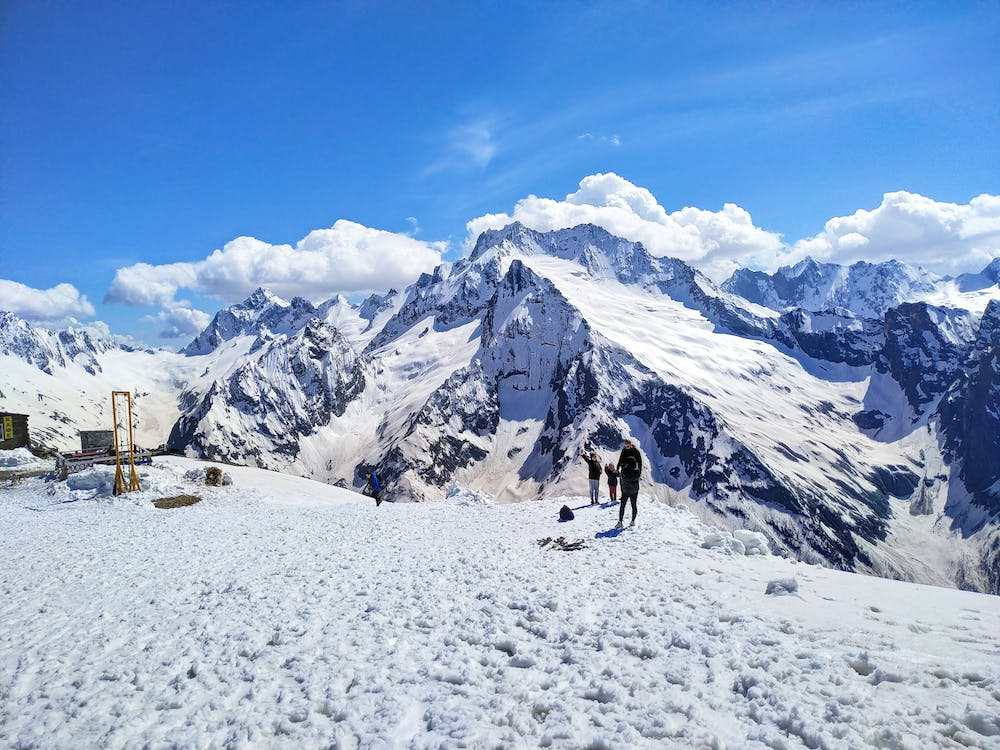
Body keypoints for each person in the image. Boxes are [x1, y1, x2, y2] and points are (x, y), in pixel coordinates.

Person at [616, 439, 642, 528]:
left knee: (623, 504)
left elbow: (639, 462)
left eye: (627, 445)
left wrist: (621, 468)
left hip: (626, 478)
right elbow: (621, 459)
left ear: (630, 444)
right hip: (634, 482)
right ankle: (633, 521)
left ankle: (620, 522)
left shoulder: (635, 452)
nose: (626, 447)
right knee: (633, 504)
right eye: (625, 445)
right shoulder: (625, 450)